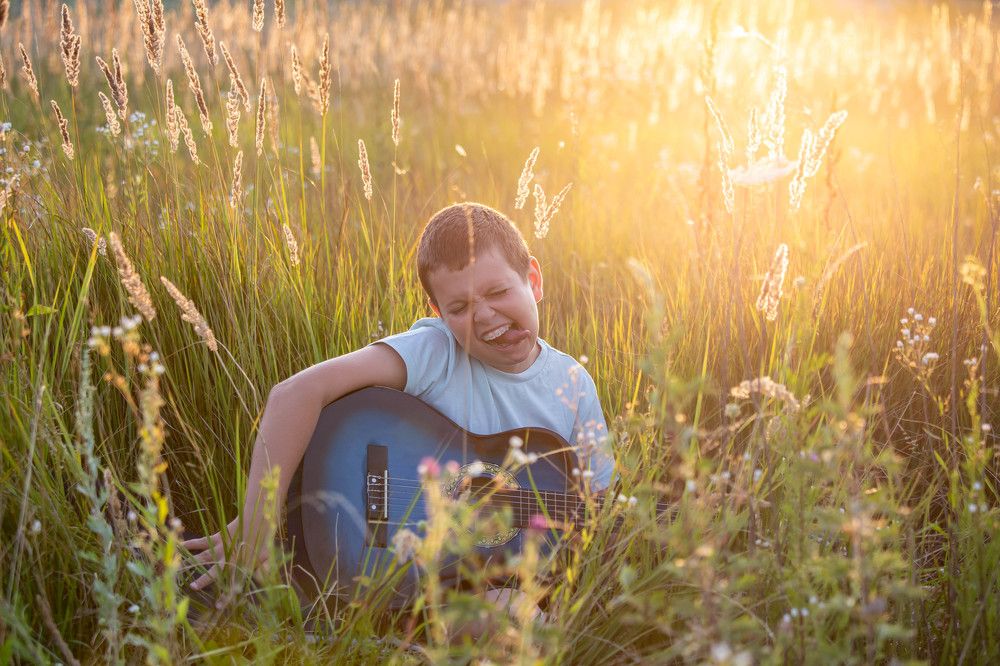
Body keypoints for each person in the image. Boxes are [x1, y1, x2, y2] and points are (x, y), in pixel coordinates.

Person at [181, 202, 616, 609]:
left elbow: (601, 504)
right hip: (401, 564)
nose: (484, 317)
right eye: (460, 307)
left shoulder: (573, 385)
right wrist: (257, 523)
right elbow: (293, 395)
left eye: (498, 291)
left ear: (534, 281)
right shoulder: (436, 352)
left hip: (480, 579)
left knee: (528, 620)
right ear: (439, 313)